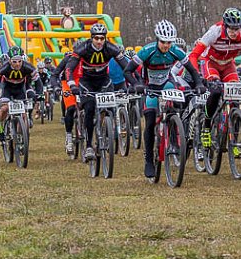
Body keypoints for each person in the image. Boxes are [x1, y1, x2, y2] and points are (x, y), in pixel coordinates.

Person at [124, 20, 204, 178]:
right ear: (157, 39)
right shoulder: (147, 51)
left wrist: (199, 83)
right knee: (150, 119)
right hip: (150, 86)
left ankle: (174, 133)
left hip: (167, 84)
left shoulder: (176, 51)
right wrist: (136, 85)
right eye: (163, 42)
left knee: (177, 105)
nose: (166, 45)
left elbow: (192, 70)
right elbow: (128, 71)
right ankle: (148, 160)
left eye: (169, 42)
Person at [189, 8, 241, 149]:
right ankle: (206, 127)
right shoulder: (215, 31)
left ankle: (235, 139)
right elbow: (194, 56)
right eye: (231, 28)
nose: (234, 32)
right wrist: (198, 78)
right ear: (225, 25)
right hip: (210, 62)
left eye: (237, 29)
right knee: (216, 91)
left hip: (228, 65)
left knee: (235, 99)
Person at [65, 22, 129, 161]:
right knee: (89, 108)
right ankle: (88, 146)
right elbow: (69, 68)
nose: (99, 41)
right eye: (96, 38)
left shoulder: (111, 48)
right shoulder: (83, 48)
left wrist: (136, 83)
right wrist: (72, 85)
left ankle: (107, 133)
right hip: (87, 82)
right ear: (92, 38)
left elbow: (126, 66)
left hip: (104, 81)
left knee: (110, 108)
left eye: (102, 38)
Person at [0, 46, 39, 141]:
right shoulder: (4, 68)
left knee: (23, 114)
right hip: (6, 89)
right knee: (5, 108)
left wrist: (39, 93)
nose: (17, 64)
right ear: (10, 60)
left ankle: (20, 135)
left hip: (20, 90)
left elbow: (38, 81)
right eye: (14, 61)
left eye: (19, 61)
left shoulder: (28, 67)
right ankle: (1, 127)